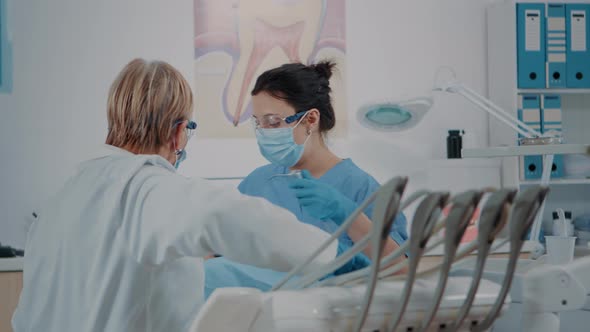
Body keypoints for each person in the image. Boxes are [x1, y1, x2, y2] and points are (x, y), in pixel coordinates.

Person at [11, 59, 375, 332]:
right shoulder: (150, 189)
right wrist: (334, 256)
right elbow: (243, 222)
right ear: (180, 133)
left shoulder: (62, 199)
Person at [204, 61, 408, 297]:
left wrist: (348, 214)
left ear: (311, 119)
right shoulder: (258, 183)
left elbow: (400, 271)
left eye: (273, 122)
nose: (264, 132)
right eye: (258, 123)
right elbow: (217, 252)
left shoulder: (361, 187)